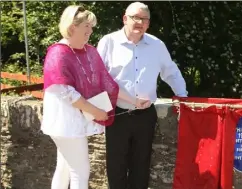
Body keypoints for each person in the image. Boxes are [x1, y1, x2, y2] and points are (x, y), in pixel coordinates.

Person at [41, 5, 148, 189]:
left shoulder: (89, 51)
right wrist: (96, 111)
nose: (91, 31)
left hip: (74, 122)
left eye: (91, 27)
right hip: (65, 123)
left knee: (65, 168)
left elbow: (107, 84)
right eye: (87, 27)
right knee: (80, 173)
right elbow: (67, 93)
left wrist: (134, 101)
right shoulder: (58, 53)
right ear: (72, 27)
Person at [96, 2, 188, 188]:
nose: (140, 22)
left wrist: (183, 97)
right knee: (116, 166)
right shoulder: (108, 42)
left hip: (146, 116)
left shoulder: (157, 45)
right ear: (125, 19)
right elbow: (97, 77)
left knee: (141, 166)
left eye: (144, 19)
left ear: (148, 23)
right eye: (135, 18)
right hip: (117, 114)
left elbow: (171, 72)